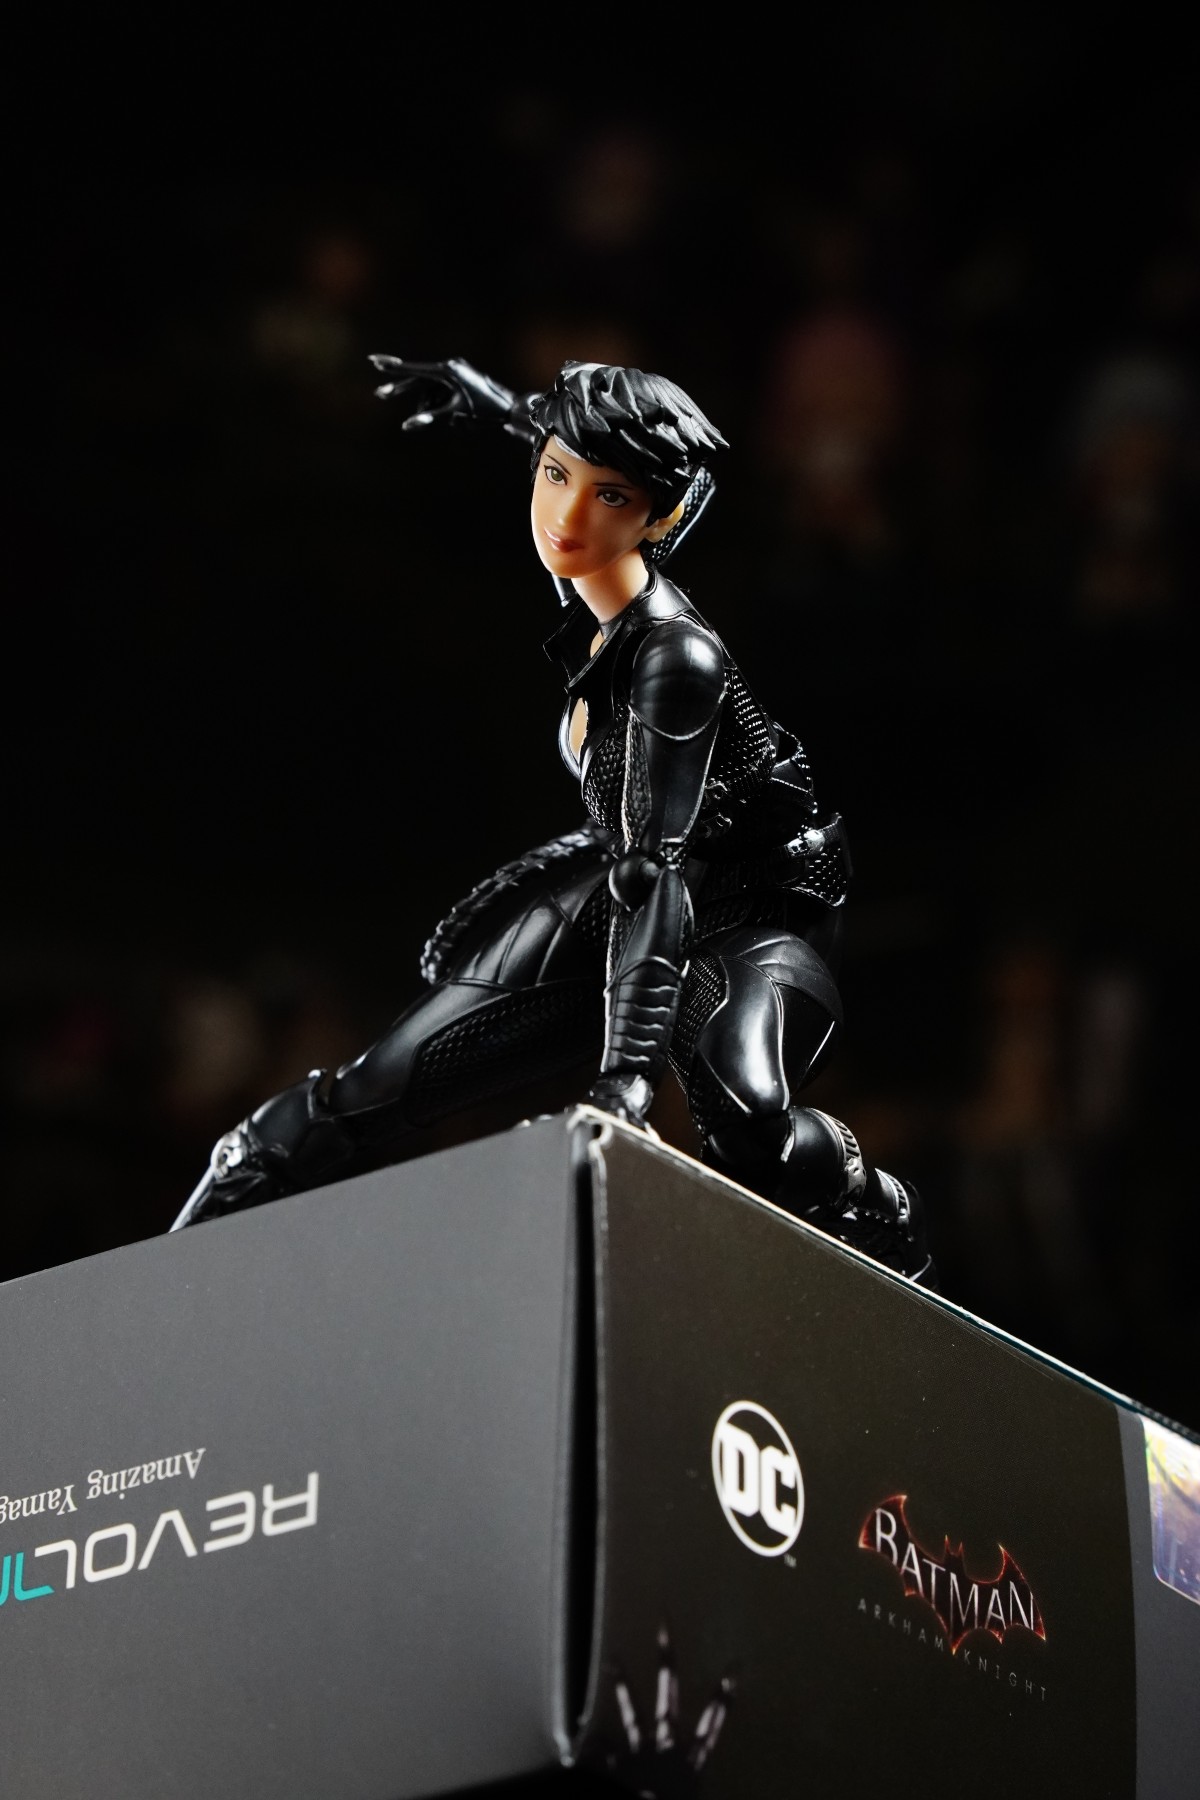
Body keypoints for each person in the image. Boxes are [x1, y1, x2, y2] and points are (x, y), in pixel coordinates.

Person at [173, 357, 931, 1282]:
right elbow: (556, 434)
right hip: (631, 876)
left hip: (754, 912)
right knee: (370, 1089)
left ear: (661, 518)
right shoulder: (591, 579)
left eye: (610, 496)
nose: (567, 516)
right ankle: (183, 1252)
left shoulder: (676, 659)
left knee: (747, 1124)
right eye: (555, 476)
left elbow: (656, 877)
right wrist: (489, 403)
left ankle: (869, 1199)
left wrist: (626, 1081)